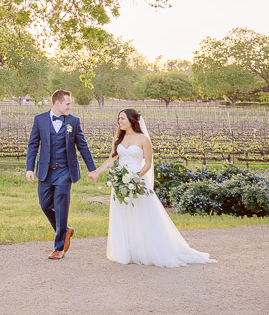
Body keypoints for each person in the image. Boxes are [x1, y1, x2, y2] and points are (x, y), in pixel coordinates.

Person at [90, 108, 216, 267]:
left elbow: (148, 163)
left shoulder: (143, 139)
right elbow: (111, 160)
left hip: (138, 182)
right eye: (118, 119)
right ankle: (125, 252)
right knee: (122, 215)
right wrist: (96, 172)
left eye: (122, 118)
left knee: (142, 215)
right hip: (120, 183)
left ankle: (146, 250)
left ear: (132, 120)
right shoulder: (118, 139)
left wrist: (135, 178)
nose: (119, 121)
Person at [25, 90, 97, 260]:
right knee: (44, 204)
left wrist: (92, 169)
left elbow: (83, 146)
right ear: (57, 103)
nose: (70, 106)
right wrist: (29, 168)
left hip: (65, 171)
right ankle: (65, 231)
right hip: (45, 171)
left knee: (61, 207)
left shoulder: (74, 121)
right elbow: (33, 145)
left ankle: (58, 248)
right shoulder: (40, 120)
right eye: (67, 103)